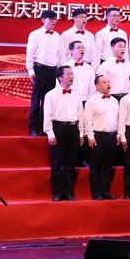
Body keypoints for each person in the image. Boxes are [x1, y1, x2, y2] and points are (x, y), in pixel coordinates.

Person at [43, 65, 83, 201]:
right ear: (60, 78)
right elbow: (47, 116)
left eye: (72, 74)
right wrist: (50, 133)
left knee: (70, 163)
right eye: (68, 74)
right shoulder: (51, 95)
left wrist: (80, 133)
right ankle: (57, 193)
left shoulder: (76, 94)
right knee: (57, 163)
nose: (71, 76)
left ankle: (68, 192)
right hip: (59, 128)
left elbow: (80, 115)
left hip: (73, 128)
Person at [83, 75, 119, 200]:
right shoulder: (91, 101)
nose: (108, 84)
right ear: (97, 86)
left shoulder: (114, 101)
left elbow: (117, 119)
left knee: (107, 166)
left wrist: (118, 134)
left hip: (111, 135)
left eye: (108, 82)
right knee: (96, 166)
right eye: (104, 82)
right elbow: (87, 120)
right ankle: (96, 192)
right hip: (98, 136)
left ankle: (105, 191)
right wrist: (90, 136)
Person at [27, 9, 61, 136]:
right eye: (51, 19)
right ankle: (33, 128)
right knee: (36, 99)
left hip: (53, 71)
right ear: (43, 20)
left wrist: (59, 71)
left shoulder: (57, 36)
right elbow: (30, 53)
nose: (53, 21)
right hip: (39, 69)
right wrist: (30, 70)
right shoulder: (35, 34)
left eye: (55, 19)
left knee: (48, 100)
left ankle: (45, 128)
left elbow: (59, 55)